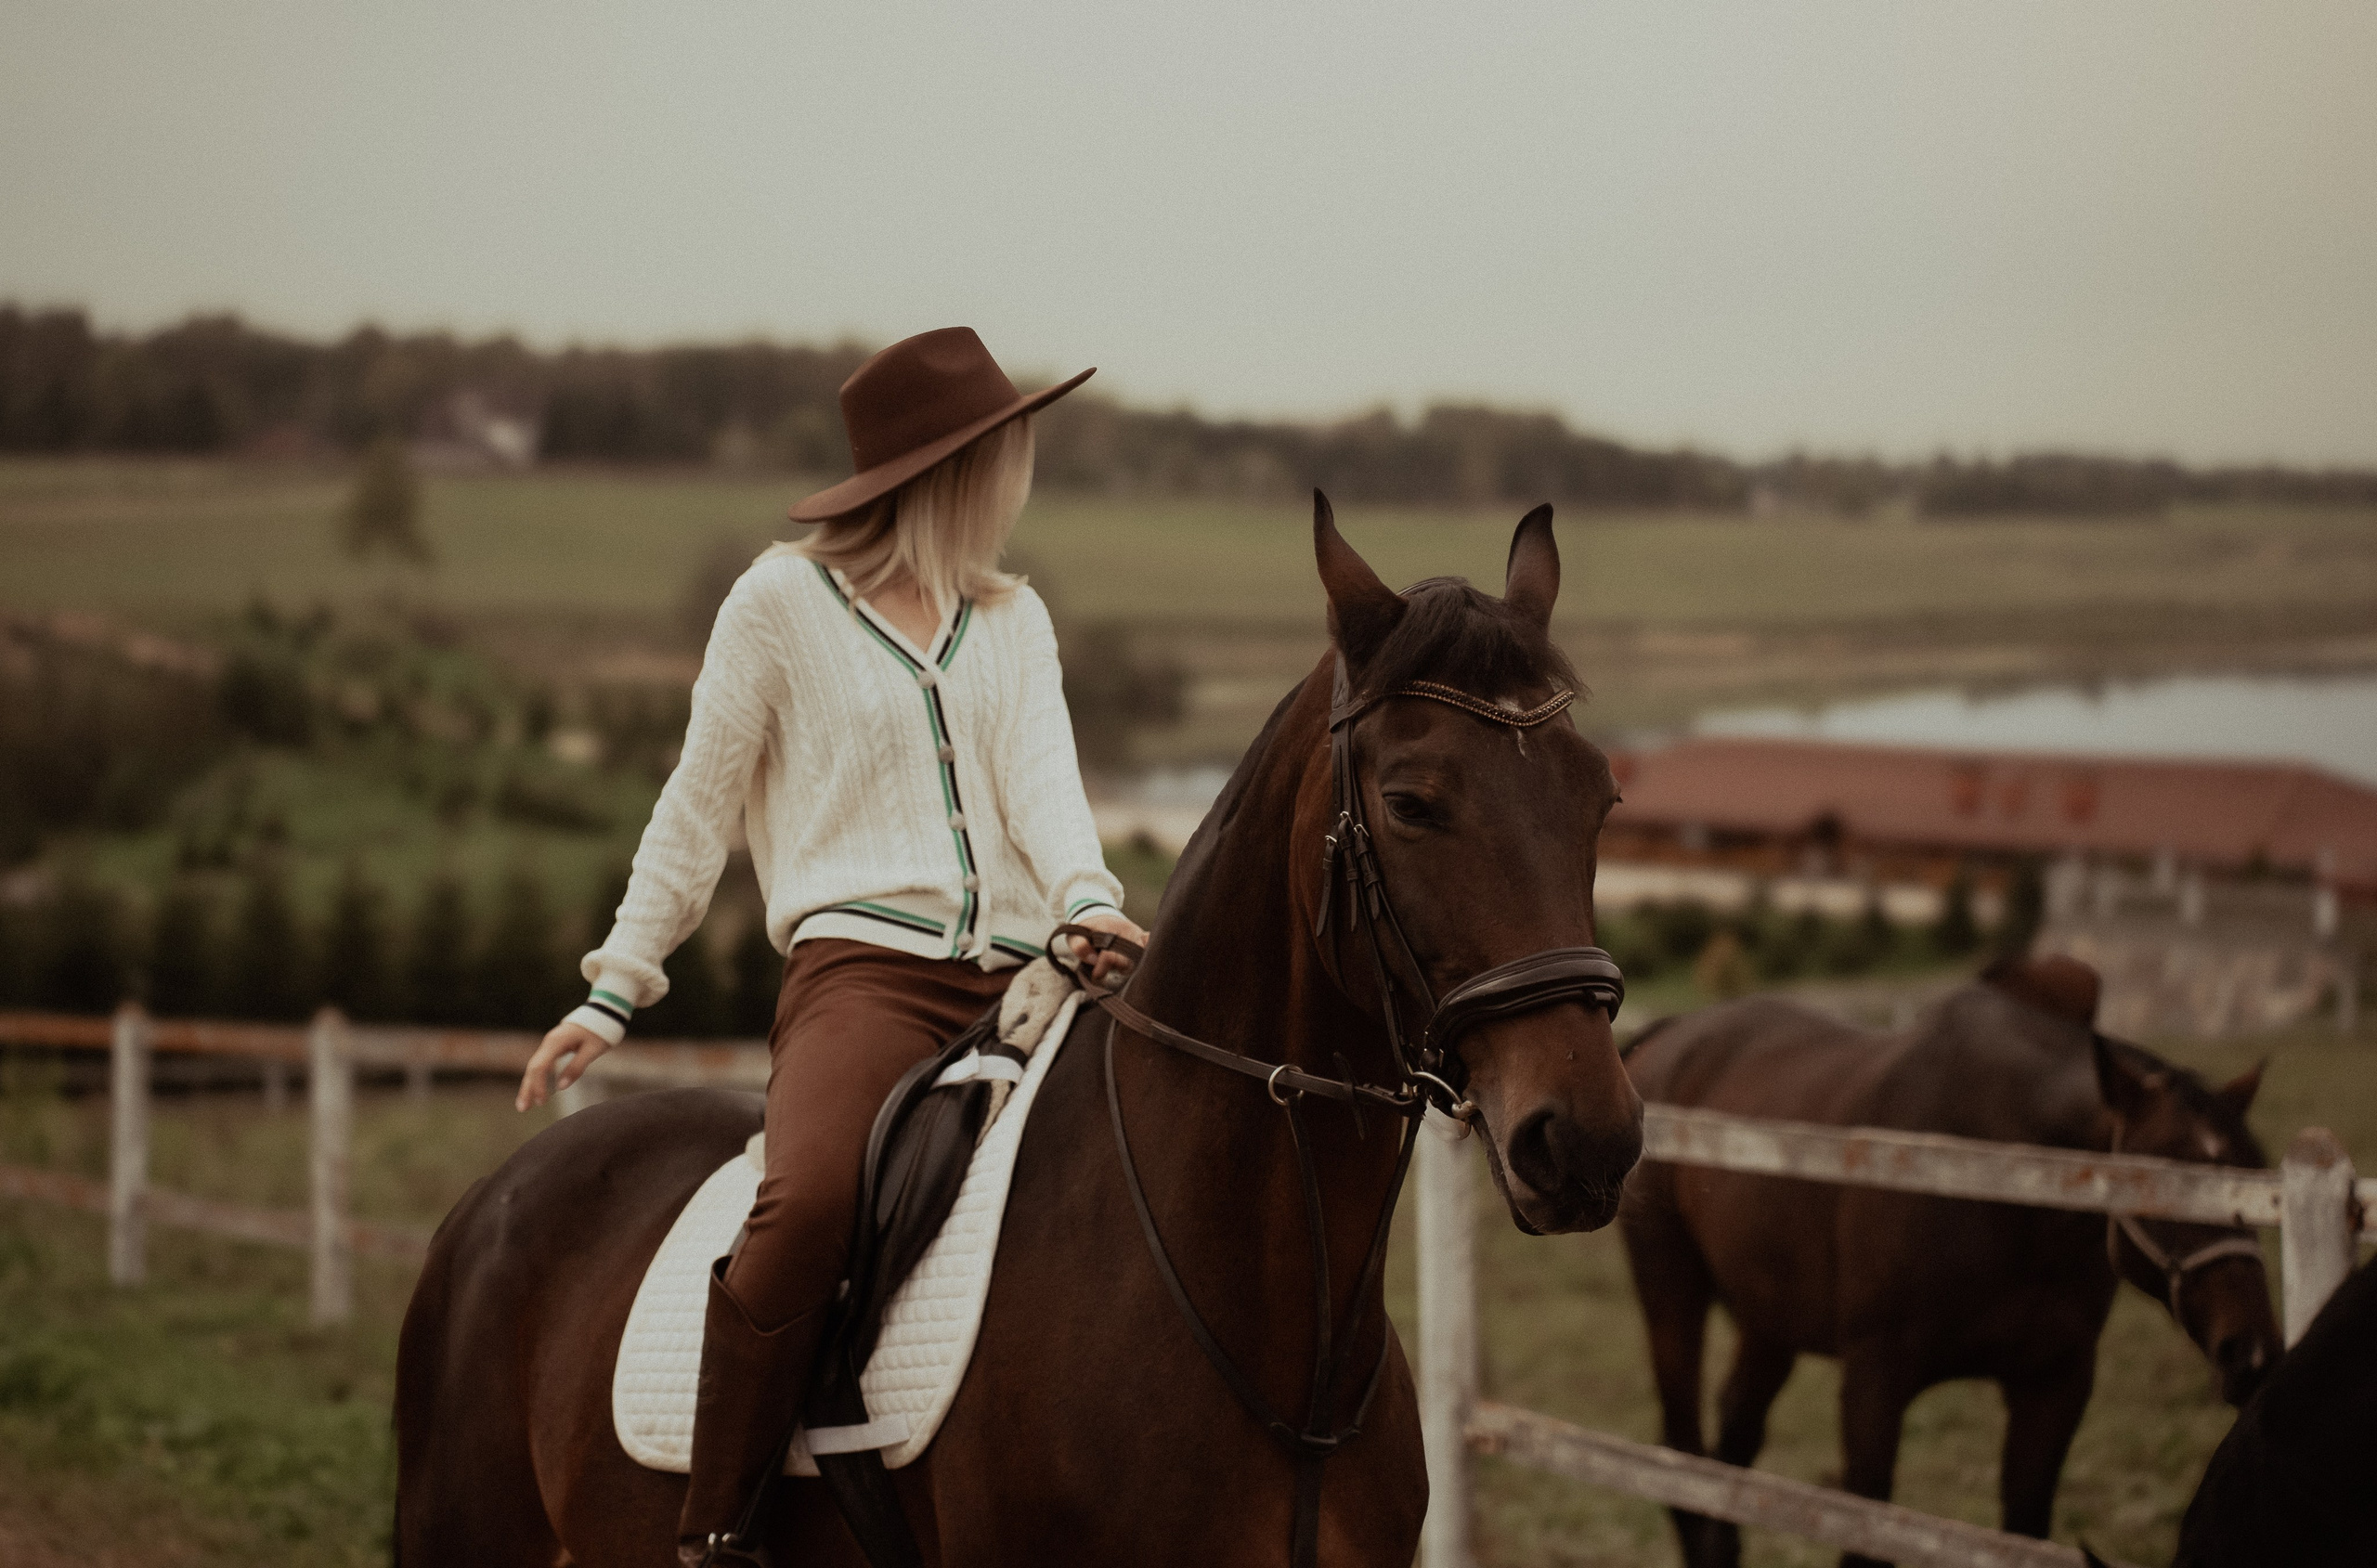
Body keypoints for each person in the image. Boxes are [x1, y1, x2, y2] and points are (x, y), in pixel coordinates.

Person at [514, 327, 1145, 1567]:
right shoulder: (779, 605)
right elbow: (696, 807)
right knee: (805, 1206)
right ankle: (714, 1526)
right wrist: (613, 987)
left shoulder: (1014, 620)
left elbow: (1045, 784)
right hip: (868, 978)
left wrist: (1085, 895)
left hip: (1033, 977)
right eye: (1003, 453)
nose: (1018, 476)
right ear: (949, 470)